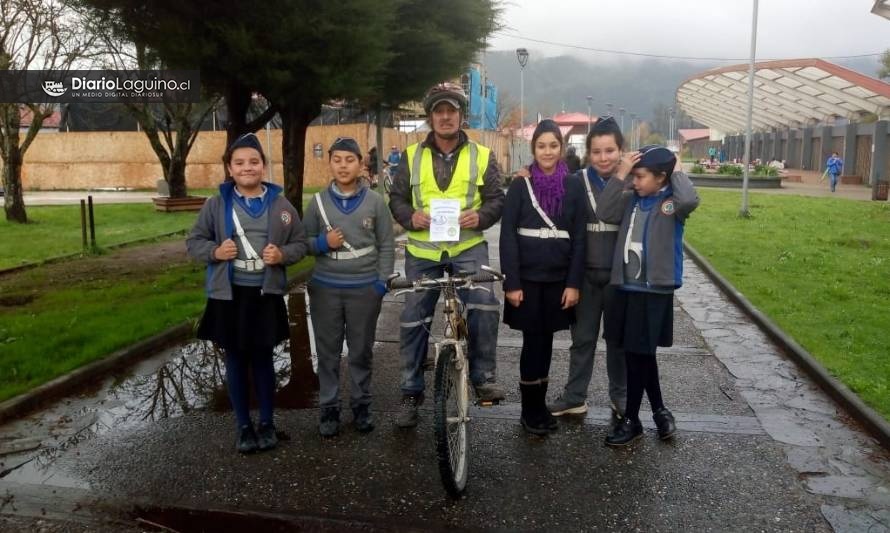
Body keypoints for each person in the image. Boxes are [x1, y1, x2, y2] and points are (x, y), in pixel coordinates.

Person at [388, 81, 505, 428]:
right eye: (438, 111)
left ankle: (483, 377)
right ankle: (411, 391)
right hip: (423, 250)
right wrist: (411, 216)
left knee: (484, 302)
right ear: (429, 117)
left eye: (451, 110)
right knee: (412, 314)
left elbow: (498, 199)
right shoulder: (411, 156)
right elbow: (396, 199)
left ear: (461, 116)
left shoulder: (482, 155)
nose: (445, 116)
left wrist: (481, 216)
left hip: (467, 245)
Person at [187, 133, 308, 454]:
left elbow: (301, 242)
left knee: (264, 359)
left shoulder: (281, 205)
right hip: (229, 297)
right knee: (237, 361)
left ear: (264, 167)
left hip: (264, 294)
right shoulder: (216, 205)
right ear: (229, 168)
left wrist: (282, 255)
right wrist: (215, 251)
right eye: (239, 162)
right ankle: (243, 426)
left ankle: (267, 422)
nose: (247, 168)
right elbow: (194, 242)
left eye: (254, 162)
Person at [603, 145, 699, 446]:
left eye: (641, 176)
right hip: (627, 288)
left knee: (640, 355)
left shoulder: (673, 205)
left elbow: (690, 199)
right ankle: (658, 411)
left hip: (654, 290)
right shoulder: (631, 200)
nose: (635, 182)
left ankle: (633, 419)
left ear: (661, 177)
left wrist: (678, 170)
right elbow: (604, 211)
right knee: (639, 354)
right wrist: (621, 174)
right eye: (633, 176)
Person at [547, 117, 637, 428]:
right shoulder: (576, 180)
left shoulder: (633, 181)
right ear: (588, 152)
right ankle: (575, 395)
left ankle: (620, 394)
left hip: (619, 274)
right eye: (597, 151)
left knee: (618, 340)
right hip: (585, 275)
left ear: (621, 150)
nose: (603, 158)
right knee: (582, 338)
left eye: (610, 150)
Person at [303, 137, 395, 437]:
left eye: (350, 160)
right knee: (328, 352)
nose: (343, 166)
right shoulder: (317, 203)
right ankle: (329, 407)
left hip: (364, 288)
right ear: (329, 162)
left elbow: (386, 244)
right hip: (326, 288)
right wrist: (321, 243)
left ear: (360, 164)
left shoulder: (375, 202)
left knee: (360, 351)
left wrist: (381, 283)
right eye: (337, 159)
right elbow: (302, 244)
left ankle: (361, 404)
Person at [499, 119, 586, 435]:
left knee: (547, 341)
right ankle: (528, 410)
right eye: (541, 145)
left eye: (553, 145)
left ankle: (541, 406)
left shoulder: (574, 185)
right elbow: (507, 234)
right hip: (527, 279)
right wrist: (512, 282)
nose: (547, 151)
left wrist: (574, 283)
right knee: (531, 342)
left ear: (561, 148)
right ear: (532, 149)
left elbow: (579, 237)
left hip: (558, 279)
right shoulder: (521, 185)